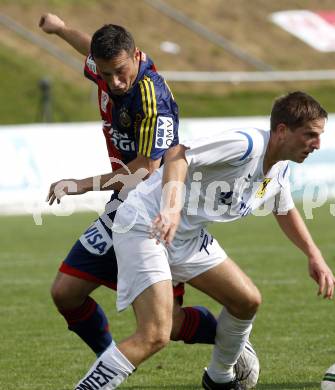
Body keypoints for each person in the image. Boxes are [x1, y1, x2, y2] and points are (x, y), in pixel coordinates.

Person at [73, 91, 335, 389]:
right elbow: (177, 154)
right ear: (282, 131)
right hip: (145, 224)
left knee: (246, 301)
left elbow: (283, 208)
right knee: (156, 334)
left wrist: (314, 255)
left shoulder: (279, 168)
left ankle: (219, 379)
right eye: (310, 135)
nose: (317, 144)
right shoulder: (246, 144)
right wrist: (171, 207)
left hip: (185, 236)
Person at [38, 13, 238, 366]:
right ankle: (109, 360)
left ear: (136, 55)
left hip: (153, 208)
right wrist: (59, 29)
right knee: (65, 293)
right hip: (122, 207)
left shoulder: (152, 99)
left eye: (120, 72)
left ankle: (231, 343)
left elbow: (145, 171)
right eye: (105, 73)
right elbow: (87, 46)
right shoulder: (105, 66)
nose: (114, 82)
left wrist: (82, 185)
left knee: (169, 326)